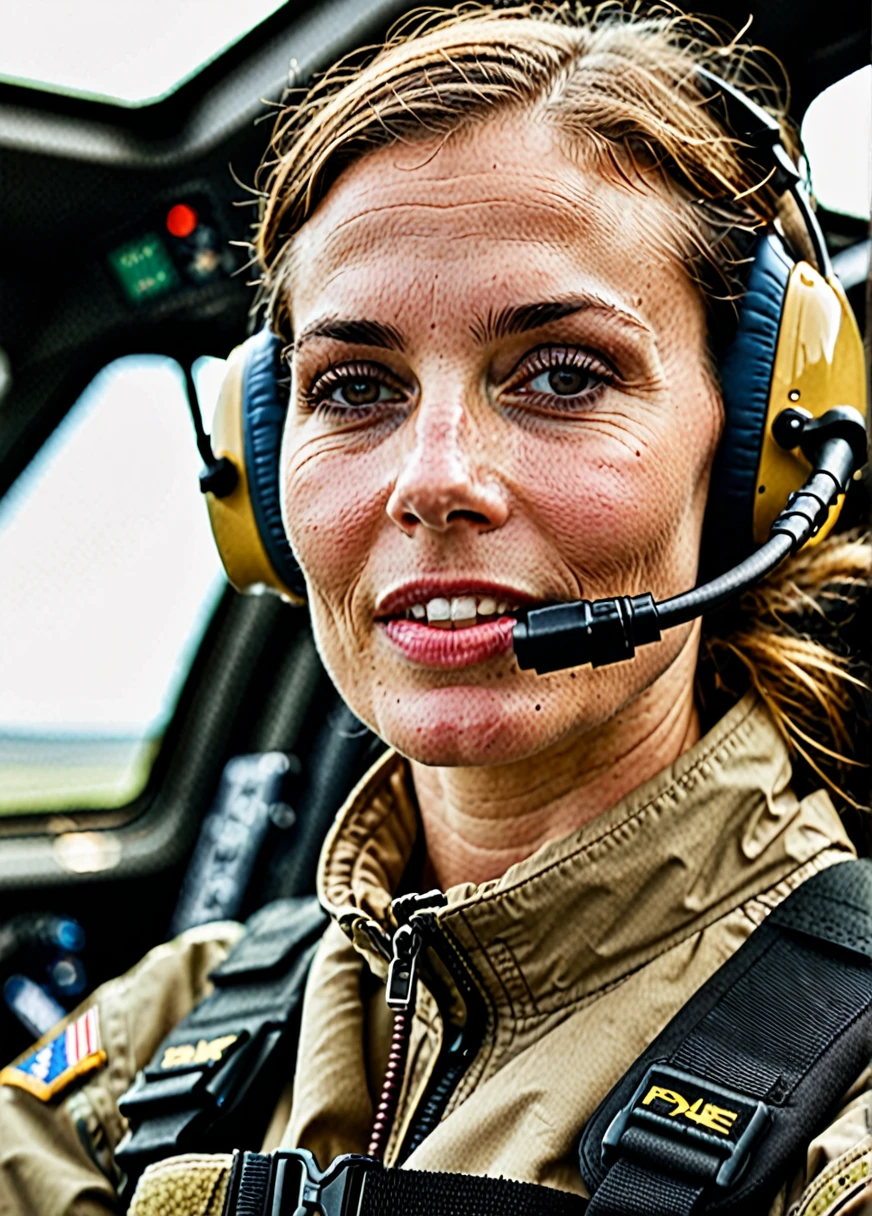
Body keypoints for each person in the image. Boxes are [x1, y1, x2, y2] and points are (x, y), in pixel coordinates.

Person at [1, 5, 870, 1215]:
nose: (432, 479)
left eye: (562, 373)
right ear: (257, 471)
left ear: (759, 448)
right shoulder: (173, 1021)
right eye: (353, 386)